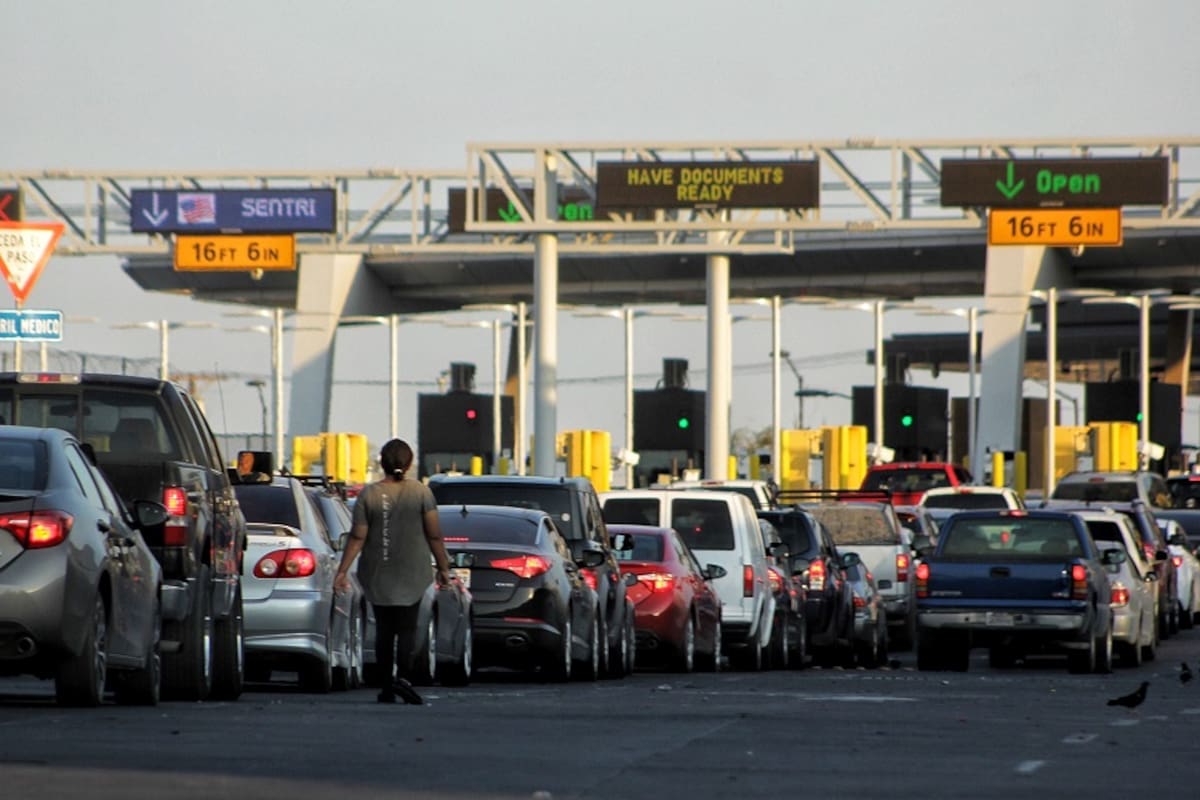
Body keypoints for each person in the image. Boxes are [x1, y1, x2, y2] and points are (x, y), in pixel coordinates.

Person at [334, 439, 452, 704]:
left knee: (385, 630)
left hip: (378, 571)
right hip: (414, 570)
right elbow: (434, 535)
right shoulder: (422, 493)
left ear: (382, 463)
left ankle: (387, 685)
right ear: (409, 463)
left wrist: (342, 571)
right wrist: (444, 568)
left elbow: (357, 537)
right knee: (408, 627)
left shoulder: (369, 494)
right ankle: (404, 679)